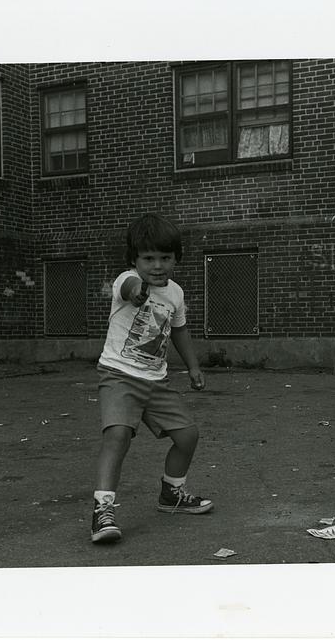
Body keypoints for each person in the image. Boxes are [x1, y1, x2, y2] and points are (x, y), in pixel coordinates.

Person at [91, 213, 212, 544]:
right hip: (119, 375)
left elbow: (179, 330)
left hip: (155, 382)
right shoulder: (126, 281)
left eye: (165, 258)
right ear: (134, 260)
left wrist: (193, 367)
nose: (157, 266)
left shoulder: (175, 293)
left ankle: (171, 493)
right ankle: (103, 510)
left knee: (188, 435)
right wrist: (138, 291)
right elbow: (129, 289)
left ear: (176, 259)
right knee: (118, 435)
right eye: (148, 258)